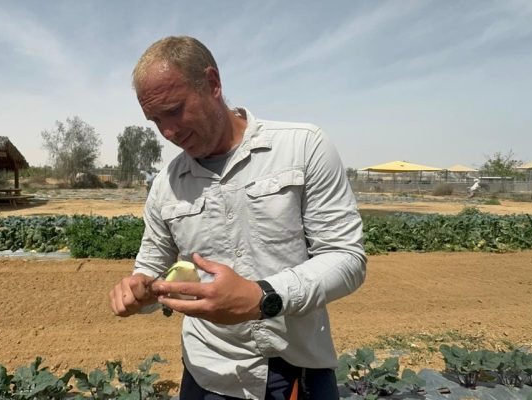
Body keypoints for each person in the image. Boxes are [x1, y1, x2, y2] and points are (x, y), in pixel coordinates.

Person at [108, 36, 367, 400]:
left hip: (294, 369)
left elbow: (346, 258)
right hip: (206, 374)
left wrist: (263, 297)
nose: (168, 132)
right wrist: (137, 291)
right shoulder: (166, 185)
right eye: (155, 121)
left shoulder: (303, 147)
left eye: (175, 109)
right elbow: (151, 269)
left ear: (212, 84)